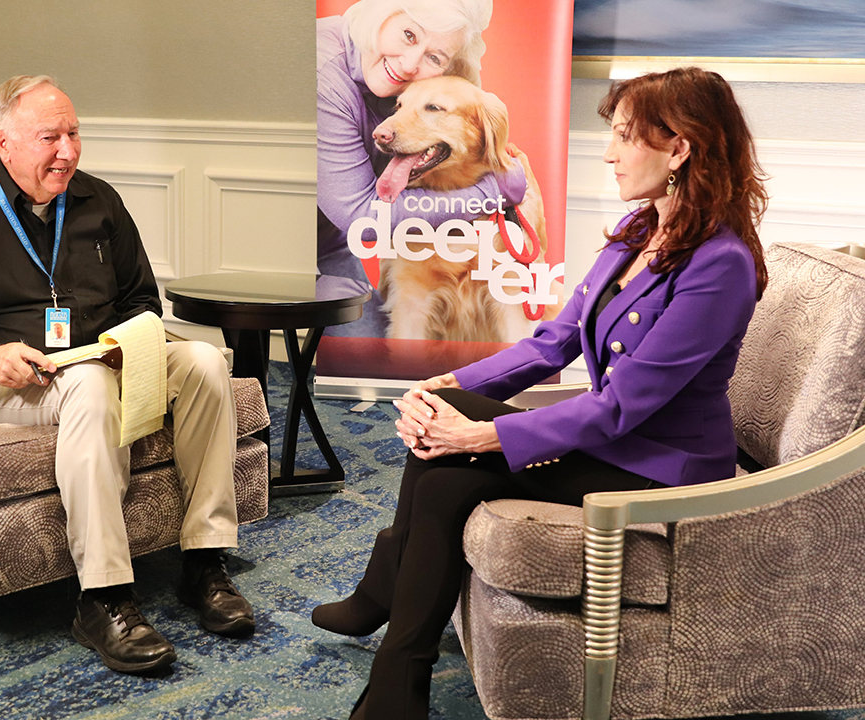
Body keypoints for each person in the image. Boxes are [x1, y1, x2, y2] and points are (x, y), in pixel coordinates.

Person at [311, 67, 769, 719]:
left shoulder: (719, 263)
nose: (608, 153)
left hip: (661, 466)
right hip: (619, 441)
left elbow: (621, 407)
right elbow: (552, 342)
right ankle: (395, 663)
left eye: (623, 137)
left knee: (449, 467)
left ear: (679, 147)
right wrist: (446, 386)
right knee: (446, 436)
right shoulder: (641, 232)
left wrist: (478, 434)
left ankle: (392, 637)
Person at [0, 75, 254, 676]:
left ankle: (205, 561)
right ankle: (103, 598)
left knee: (207, 362)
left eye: (74, 134)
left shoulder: (98, 201)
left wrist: (127, 340)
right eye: (49, 138)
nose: (68, 152)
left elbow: (141, 298)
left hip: (102, 360)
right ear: (4, 142)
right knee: (87, 385)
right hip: (10, 382)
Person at [317, 0, 529, 337]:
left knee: (373, 353)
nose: (410, 64)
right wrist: (491, 193)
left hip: (331, 243)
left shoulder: (405, 85)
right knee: (364, 361)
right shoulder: (322, 73)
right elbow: (363, 217)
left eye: (435, 57)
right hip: (280, 243)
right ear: (383, 14)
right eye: (408, 34)